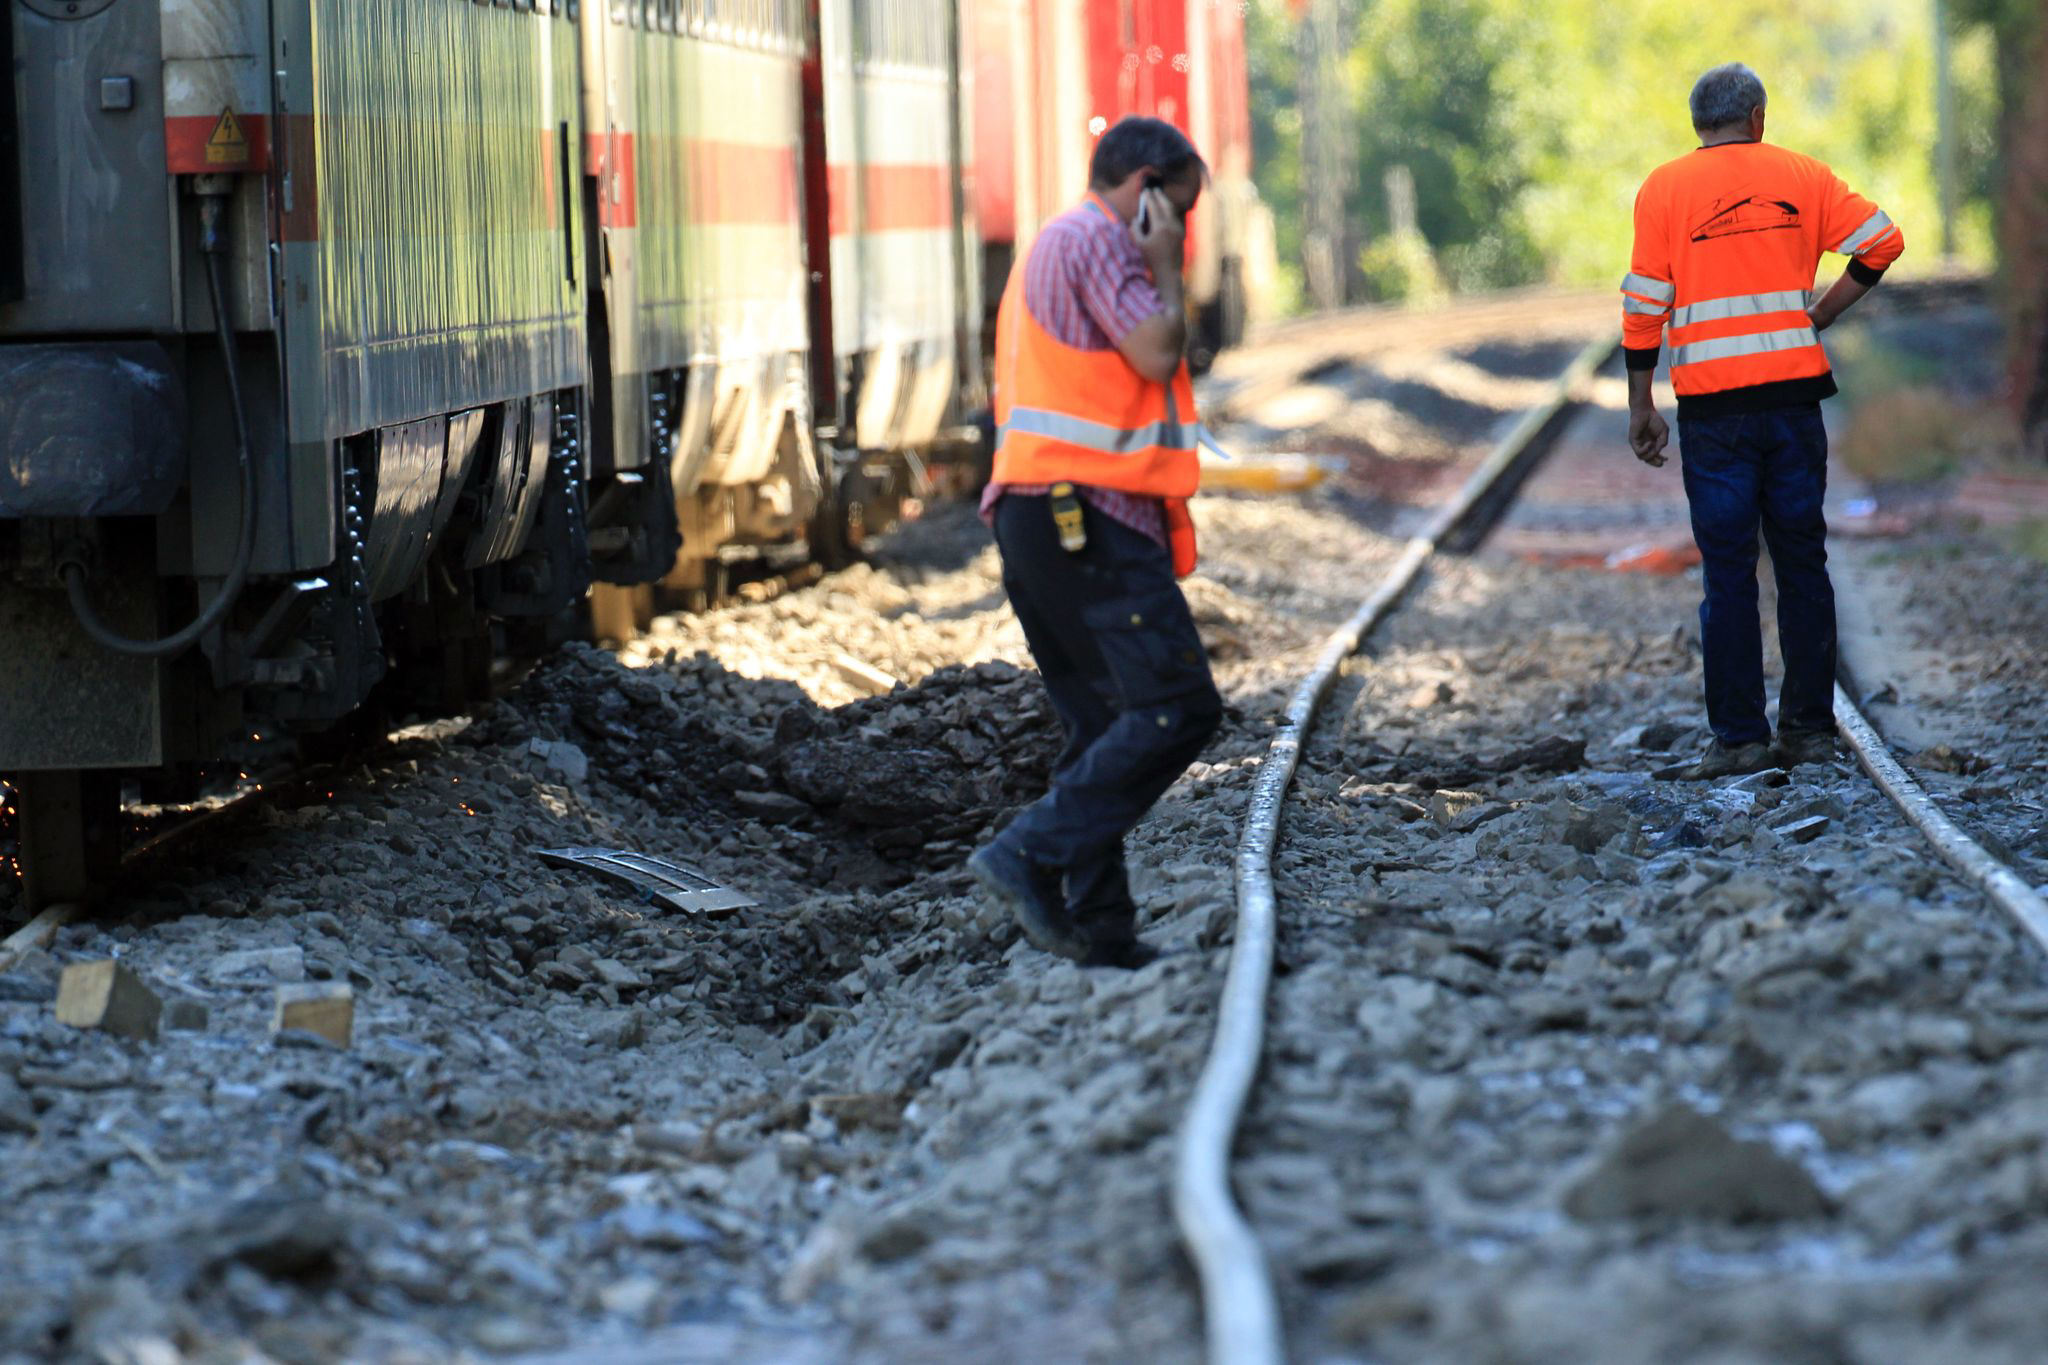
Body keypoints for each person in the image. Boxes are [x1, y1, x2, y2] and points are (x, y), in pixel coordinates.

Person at [968, 116, 1223, 969]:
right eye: (1180, 207)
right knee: (1177, 705)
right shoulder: (1104, 243)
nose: (1183, 225)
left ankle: (1101, 928)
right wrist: (1167, 265)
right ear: (1146, 189)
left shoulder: (1062, 239)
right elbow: (1155, 351)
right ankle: (1025, 853)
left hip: (1045, 517)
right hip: (1086, 518)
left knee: (1101, 722)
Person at [1624, 63, 1904, 779]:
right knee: (1802, 561)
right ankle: (1808, 731)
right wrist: (1823, 312)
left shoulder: (1664, 188)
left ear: (1700, 124)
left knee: (1727, 572)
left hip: (1714, 410)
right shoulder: (1803, 175)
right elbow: (1882, 240)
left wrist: (1641, 401)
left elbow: (1646, 302)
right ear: (1756, 118)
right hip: (1792, 401)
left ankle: (1740, 738)